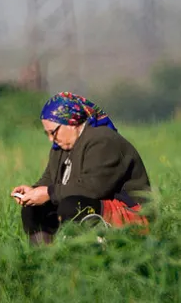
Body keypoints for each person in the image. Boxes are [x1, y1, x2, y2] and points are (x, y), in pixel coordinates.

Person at [11, 91, 153, 245]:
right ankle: (44, 260)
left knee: (73, 206)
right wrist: (32, 192)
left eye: (53, 132)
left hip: (131, 212)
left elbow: (94, 188)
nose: (51, 139)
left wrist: (48, 192)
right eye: (47, 134)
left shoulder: (102, 140)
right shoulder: (60, 147)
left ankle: (98, 250)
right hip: (92, 202)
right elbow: (50, 179)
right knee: (34, 209)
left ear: (72, 123)